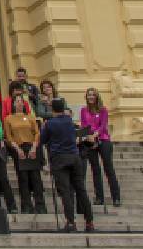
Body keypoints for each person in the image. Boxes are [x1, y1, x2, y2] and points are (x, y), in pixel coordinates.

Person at [41, 98, 94, 233]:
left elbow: (43, 140)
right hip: (74, 157)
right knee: (81, 190)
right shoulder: (70, 121)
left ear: (52, 109)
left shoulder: (50, 124)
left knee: (66, 192)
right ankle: (89, 222)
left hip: (59, 158)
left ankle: (70, 222)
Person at [80, 87, 121, 206]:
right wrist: (89, 137)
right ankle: (99, 197)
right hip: (90, 141)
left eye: (93, 95)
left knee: (109, 169)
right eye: (89, 95)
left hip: (103, 140)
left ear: (97, 96)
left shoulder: (103, 110)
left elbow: (103, 125)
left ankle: (116, 197)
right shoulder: (83, 110)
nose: (91, 97)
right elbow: (83, 125)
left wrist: (95, 134)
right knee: (95, 170)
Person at [5, 95, 45, 213]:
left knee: (36, 178)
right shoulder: (8, 118)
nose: (19, 103)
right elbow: (9, 136)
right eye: (17, 101)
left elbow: (36, 133)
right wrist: (17, 149)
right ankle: (26, 205)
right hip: (18, 148)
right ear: (13, 104)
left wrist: (34, 147)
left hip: (31, 147)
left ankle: (40, 205)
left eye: (21, 101)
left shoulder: (30, 117)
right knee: (23, 178)